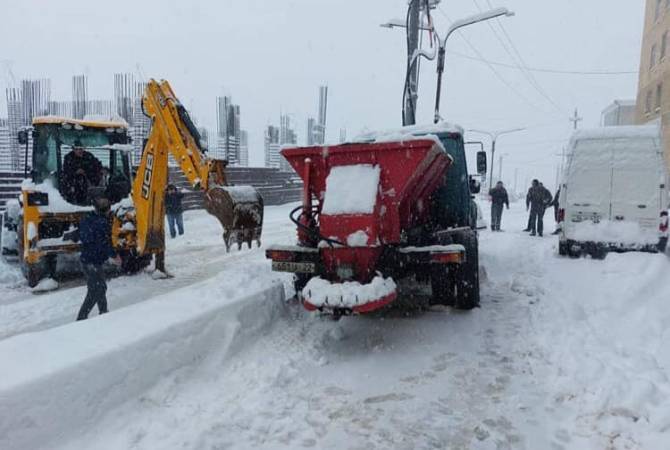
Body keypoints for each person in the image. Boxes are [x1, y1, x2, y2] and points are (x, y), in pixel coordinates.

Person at [76, 196, 117, 321]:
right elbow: (104, 242)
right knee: (96, 289)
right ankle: (81, 318)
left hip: (88, 259)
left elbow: (83, 236)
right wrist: (114, 255)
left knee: (99, 287)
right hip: (92, 261)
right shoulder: (102, 223)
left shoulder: (88, 218)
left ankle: (103, 312)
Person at [62, 140, 102, 205]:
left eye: (80, 149)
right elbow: (66, 172)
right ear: (73, 149)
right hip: (73, 185)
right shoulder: (68, 158)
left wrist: (102, 170)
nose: (79, 151)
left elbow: (97, 166)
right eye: (76, 149)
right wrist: (75, 172)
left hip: (90, 183)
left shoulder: (89, 156)